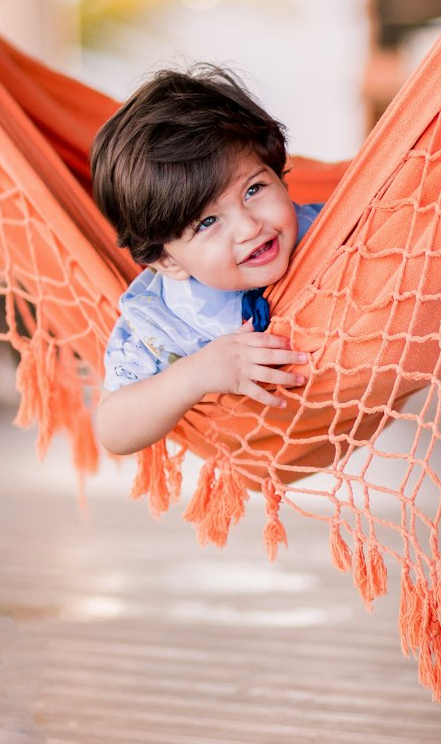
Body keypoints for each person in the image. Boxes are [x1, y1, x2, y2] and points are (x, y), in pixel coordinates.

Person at [91, 66, 320, 455]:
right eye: (208, 222)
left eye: (254, 189)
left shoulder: (325, 232)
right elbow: (112, 429)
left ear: (280, 177)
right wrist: (197, 374)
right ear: (168, 262)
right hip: (252, 440)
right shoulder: (162, 318)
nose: (249, 227)